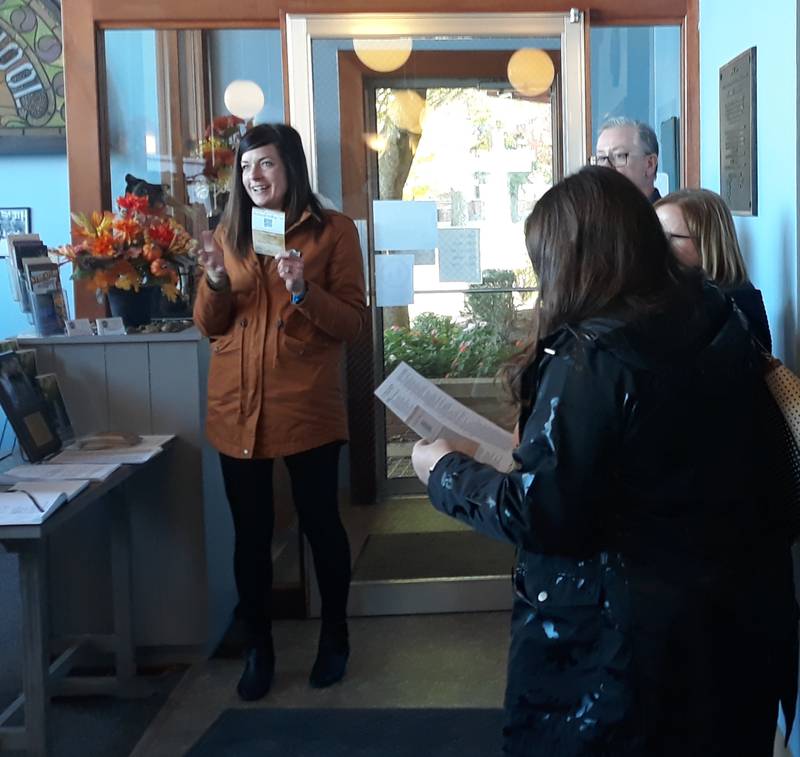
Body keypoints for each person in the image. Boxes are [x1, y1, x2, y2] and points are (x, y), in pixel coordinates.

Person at [411, 166, 798, 756]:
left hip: (619, 650)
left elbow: (545, 513)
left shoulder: (595, 355)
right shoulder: (718, 314)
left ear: (577, 258)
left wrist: (443, 471)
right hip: (728, 625)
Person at [194, 123, 367, 701]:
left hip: (305, 405)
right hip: (235, 406)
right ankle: (258, 649)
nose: (254, 177)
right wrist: (216, 278)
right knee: (251, 536)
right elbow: (209, 324)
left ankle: (335, 637)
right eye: (246, 168)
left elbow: (353, 324)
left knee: (321, 525)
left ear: (290, 166)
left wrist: (302, 290)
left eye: (265, 164)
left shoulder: (333, 232)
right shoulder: (230, 232)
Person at [656, 187, 772, 352]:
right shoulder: (666, 289)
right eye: (655, 233)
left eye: (672, 237)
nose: (657, 244)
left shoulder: (734, 302)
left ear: (708, 243)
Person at [593, 117, 661, 202]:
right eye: (601, 158)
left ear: (650, 164)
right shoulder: (595, 213)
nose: (606, 166)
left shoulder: (665, 215)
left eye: (619, 156)